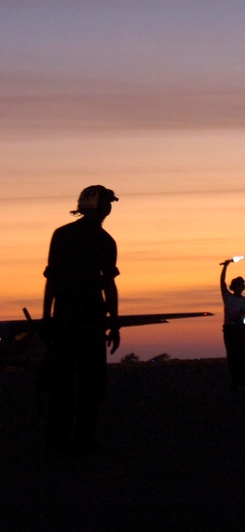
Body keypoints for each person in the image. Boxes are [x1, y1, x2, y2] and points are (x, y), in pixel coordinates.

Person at [42, 185, 120, 453]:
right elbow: (109, 285)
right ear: (103, 208)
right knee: (92, 381)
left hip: (64, 316)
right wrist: (115, 322)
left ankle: (56, 440)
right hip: (91, 318)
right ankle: (83, 439)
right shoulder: (105, 241)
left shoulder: (61, 235)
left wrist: (46, 317)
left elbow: (51, 280)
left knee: (62, 381)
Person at [220, 259, 245, 389]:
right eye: (237, 285)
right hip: (230, 328)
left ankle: (240, 380)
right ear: (234, 287)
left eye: (241, 285)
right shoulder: (228, 297)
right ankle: (234, 380)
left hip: (239, 329)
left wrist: (243, 320)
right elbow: (222, 283)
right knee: (232, 355)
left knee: (240, 356)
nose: (239, 287)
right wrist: (225, 267)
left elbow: (241, 315)